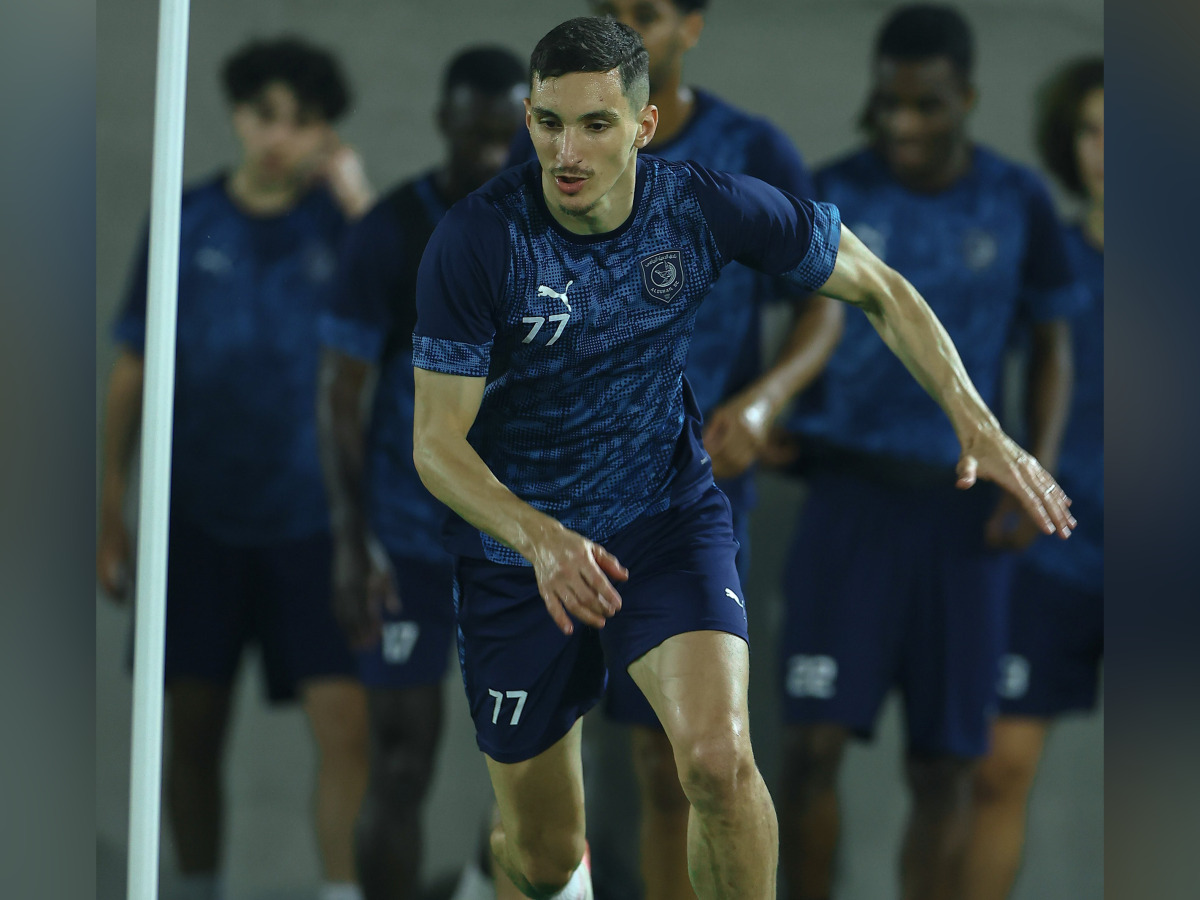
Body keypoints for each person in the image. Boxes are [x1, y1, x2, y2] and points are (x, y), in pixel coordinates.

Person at [410, 16, 1074, 900]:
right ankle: (509, 867)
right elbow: (436, 443)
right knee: (544, 857)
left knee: (718, 762)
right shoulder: (479, 239)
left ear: (642, 126)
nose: (567, 152)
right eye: (548, 122)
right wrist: (539, 536)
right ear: (528, 119)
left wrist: (976, 421)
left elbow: (878, 287)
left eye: (596, 124)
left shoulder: (701, 204)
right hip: (518, 555)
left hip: (662, 519)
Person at [506, 3, 842, 898]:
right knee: (546, 787)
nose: (629, 25)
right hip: (563, 496)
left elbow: (826, 300)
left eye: (648, 12)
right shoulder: (545, 152)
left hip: (696, 490)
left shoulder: (750, 152)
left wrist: (763, 403)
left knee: (687, 761)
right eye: (614, 8)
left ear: (691, 26)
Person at [769, 6, 1087, 900]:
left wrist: (1031, 471)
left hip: (963, 518)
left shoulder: (1016, 200)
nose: (903, 124)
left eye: (926, 106)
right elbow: (797, 318)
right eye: (889, 104)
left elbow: (1053, 346)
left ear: (967, 100)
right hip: (846, 505)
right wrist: (772, 403)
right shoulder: (832, 192)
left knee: (947, 766)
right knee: (809, 749)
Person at [96, 37, 373, 900]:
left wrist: (359, 203)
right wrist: (109, 500)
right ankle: (196, 890)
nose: (280, 137)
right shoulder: (186, 221)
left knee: (348, 726)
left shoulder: (342, 227)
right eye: (266, 116)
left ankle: (340, 892)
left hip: (312, 519)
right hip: (197, 518)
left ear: (326, 132)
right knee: (191, 731)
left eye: (302, 121)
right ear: (238, 115)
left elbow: (421, 319)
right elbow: (134, 365)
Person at [316, 45, 527, 900]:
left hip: (521, 541)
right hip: (409, 541)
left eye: (507, 132)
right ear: (444, 122)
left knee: (530, 764)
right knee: (400, 761)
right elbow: (340, 396)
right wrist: (350, 541)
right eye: (475, 131)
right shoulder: (394, 232)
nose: (492, 150)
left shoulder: (560, 232)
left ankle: (480, 885)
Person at [961, 56, 1104, 900]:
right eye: (1092, 133)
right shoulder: (1044, 257)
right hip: (1054, 549)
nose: (1108, 153)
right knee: (997, 771)